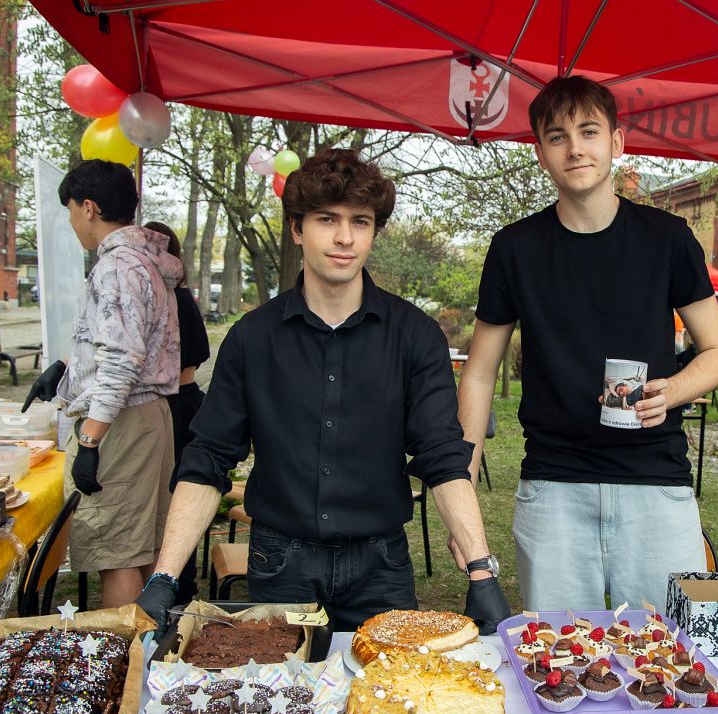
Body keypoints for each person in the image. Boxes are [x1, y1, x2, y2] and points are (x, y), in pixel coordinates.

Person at [136, 148, 511, 634]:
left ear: (374, 232)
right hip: (280, 561)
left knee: (386, 684)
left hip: (381, 565)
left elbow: (442, 455)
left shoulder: (415, 335)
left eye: (360, 221)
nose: (344, 237)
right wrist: (165, 576)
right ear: (297, 228)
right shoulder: (252, 338)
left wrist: (481, 569)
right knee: (283, 683)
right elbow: (207, 458)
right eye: (327, 219)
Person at [457, 76, 718, 612]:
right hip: (554, 488)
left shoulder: (668, 238)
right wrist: (463, 485)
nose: (575, 148)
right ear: (540, 152)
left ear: (617, 141)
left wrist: (673, 391)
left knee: (667, 651)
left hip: (655, 483)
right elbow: (479, 372)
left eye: (589, 131)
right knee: (557, 650)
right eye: (557, 136)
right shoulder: (515, 248)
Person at [21, 159, 182, 609]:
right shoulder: (145, 260)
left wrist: (90, 441)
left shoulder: (117, 266)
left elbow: (123, 363)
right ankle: (149, 646)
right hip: (145, 416)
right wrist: (67, 369)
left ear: (88, 207)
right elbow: (128, 342)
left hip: (120, 421)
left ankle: (124, 652)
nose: (73, 221)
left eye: (72, 209)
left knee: (119, 554)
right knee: (143, 547)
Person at [143, 220, 210, 608]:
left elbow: (192, 359)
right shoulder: (165, 298)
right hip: (175, 402)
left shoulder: (177, 300)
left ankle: (178, 582)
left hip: (178, 405)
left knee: (177, 494)